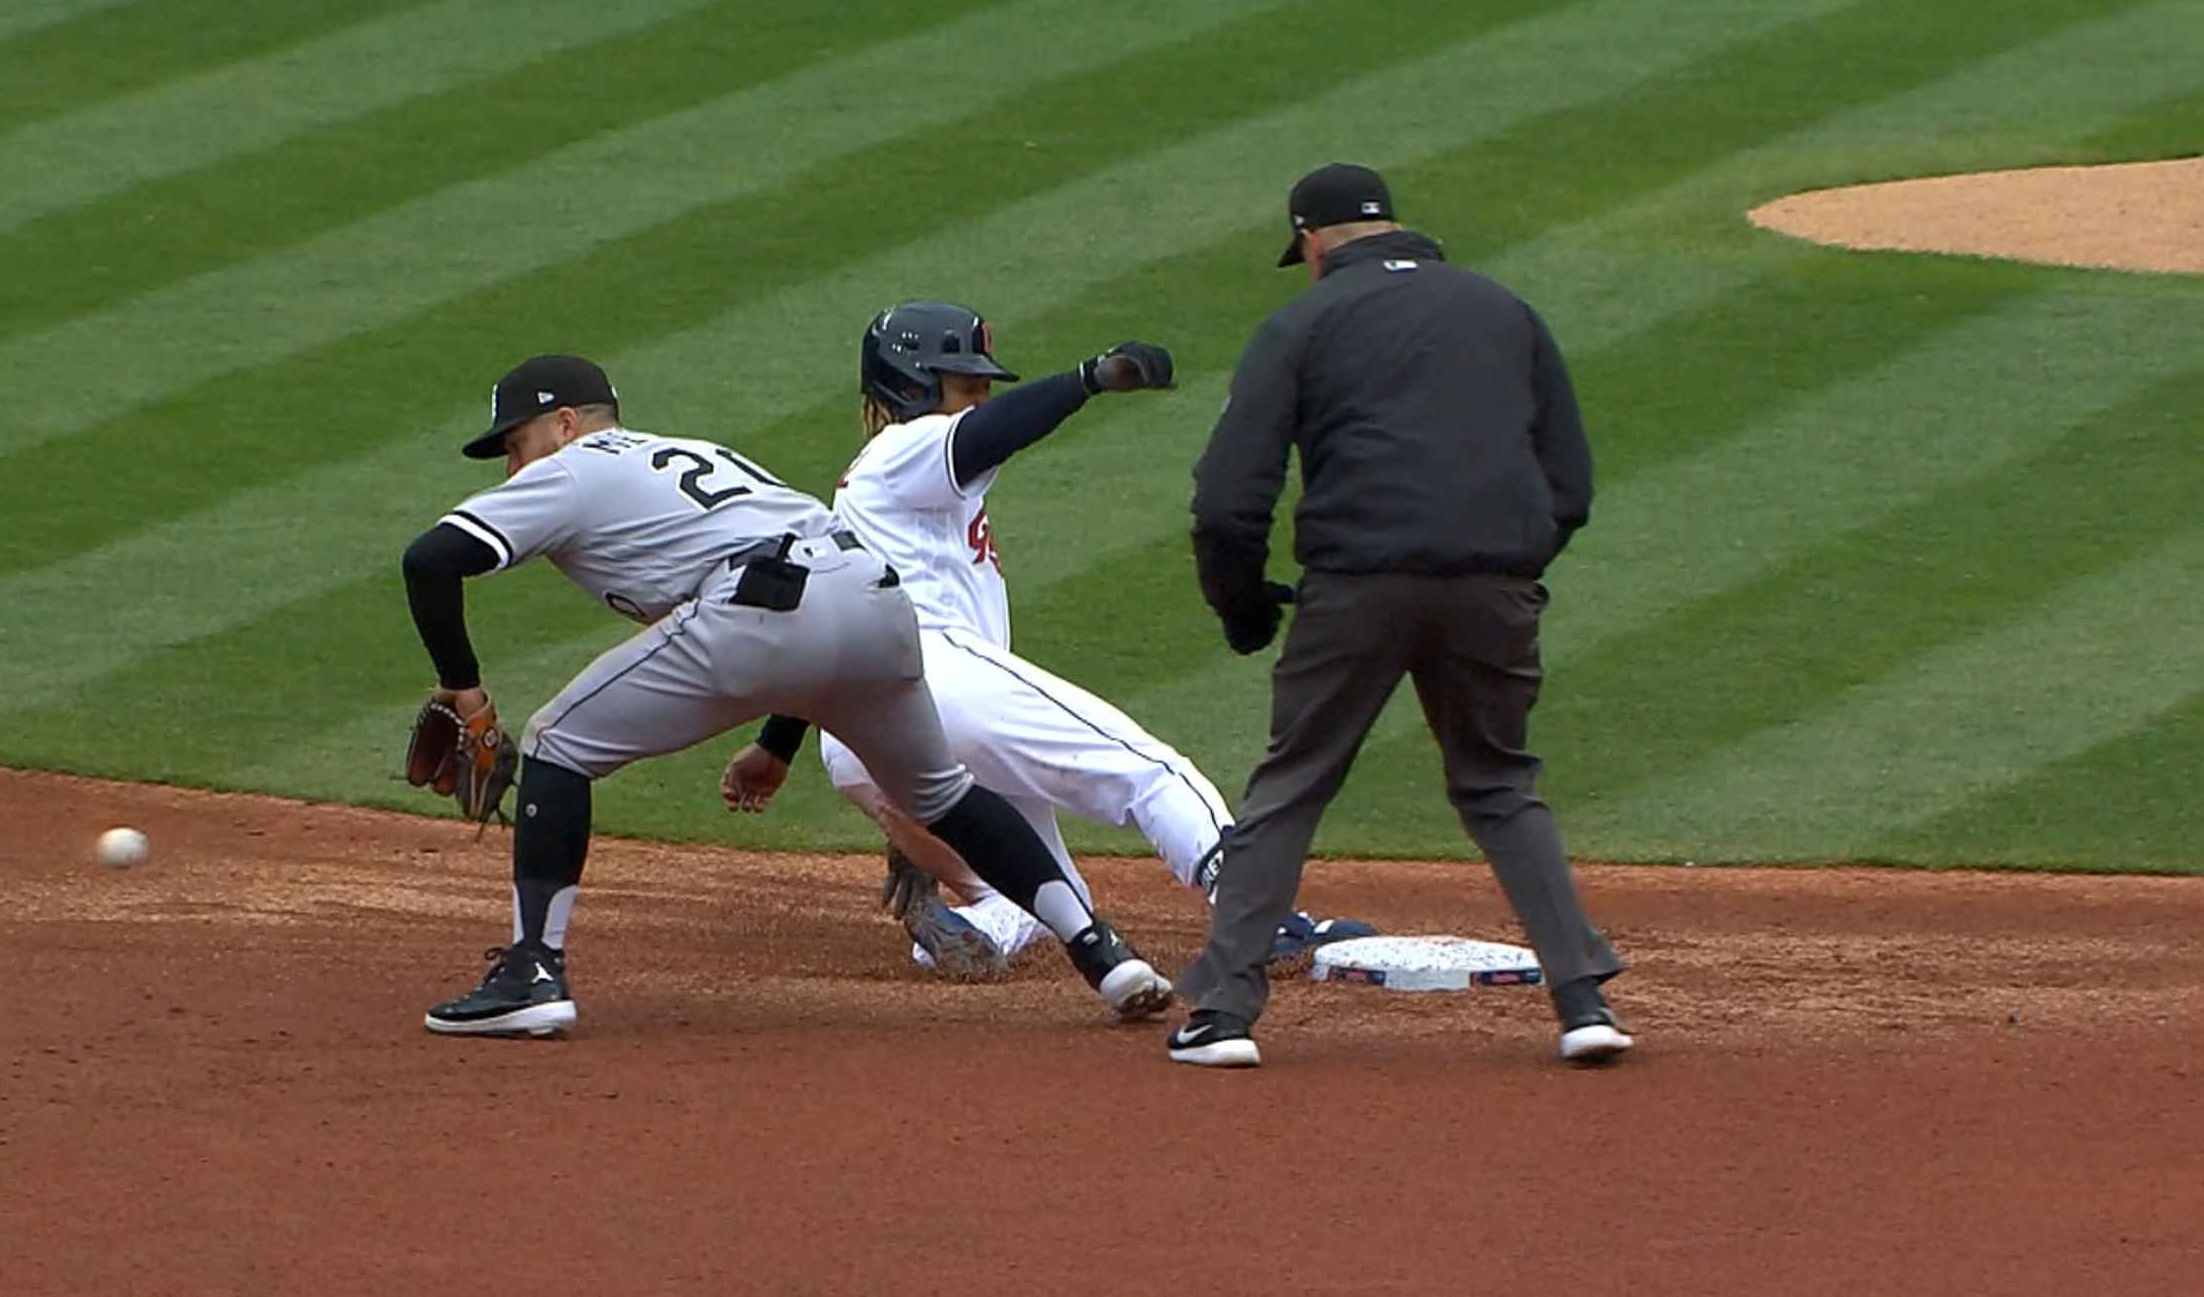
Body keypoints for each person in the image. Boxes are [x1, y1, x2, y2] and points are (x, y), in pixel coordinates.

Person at [401, 353, 1174, 1037]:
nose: (512, 467)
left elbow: (429, 559)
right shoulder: (694, 453)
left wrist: (463, 690)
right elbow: (812, 603)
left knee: (556, 742)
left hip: (763, 610)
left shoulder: (572, 467)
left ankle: (535, 971)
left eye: (514, 444)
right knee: (943, 795)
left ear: (564, 424)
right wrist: (778, 744)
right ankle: (1102, 951)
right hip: (875, 604)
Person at [717, 302, 1374, 976]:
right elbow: (988, 435)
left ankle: (972, 928)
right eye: (965, 385)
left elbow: (825, 622)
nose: (979, 399)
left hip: (860, 728)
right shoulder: (906, 448)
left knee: (1053, 894)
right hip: (941, 682)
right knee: (1150, 774)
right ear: (911, 385)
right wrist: (1088, 379)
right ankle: (1260, 920)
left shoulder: (862, 492)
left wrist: (775, 747)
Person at [1166, 163, 1632, 1070]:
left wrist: (1243, 607)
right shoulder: (1505, 311)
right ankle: (1582, 1004)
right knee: (1499, 783)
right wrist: (1512, 568)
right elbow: (1568, 478)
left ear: (1310, 242)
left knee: (1293, 784)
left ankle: (1222, 1015)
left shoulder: (1301, 321)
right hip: (1493, 586)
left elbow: (1228, 500)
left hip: (1358, 587)